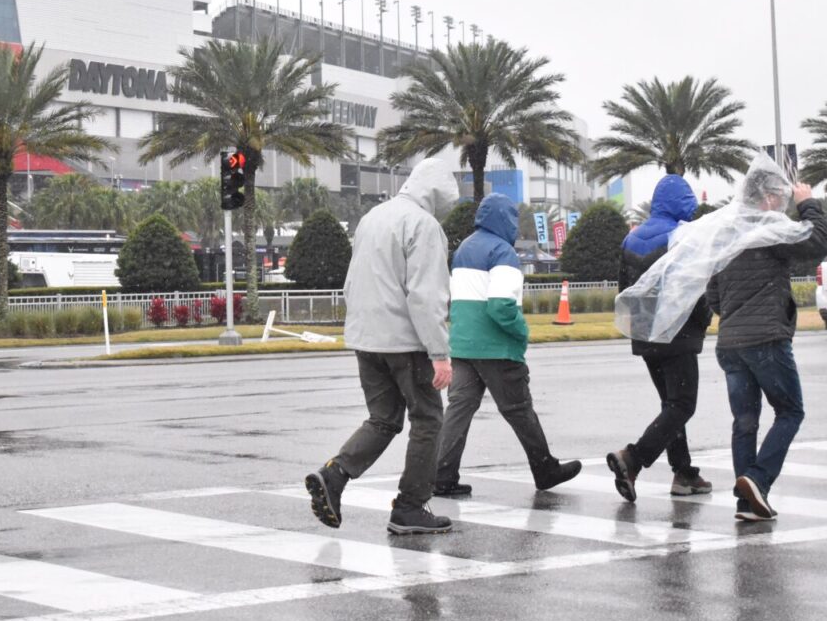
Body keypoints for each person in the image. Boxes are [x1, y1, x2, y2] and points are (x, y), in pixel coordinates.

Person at [304, 155, 460, 536]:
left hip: (366, 339)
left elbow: (352, 281)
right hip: (406, 343)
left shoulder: (373, 218)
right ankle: (409, 507)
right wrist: (440, 353)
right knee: (428, 418)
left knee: (383, 419)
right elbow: (426, 295)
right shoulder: (423, 225)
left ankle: (335, 475)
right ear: (438, 195)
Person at [432, 193, 581, 497]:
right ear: (506, 220)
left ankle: (441, 476)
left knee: (459, 410)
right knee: (519, 410)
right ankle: (545, 469)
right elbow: (500, 305)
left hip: (462, 346)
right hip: (497, 348)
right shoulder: (503, 252)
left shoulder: (463, 249)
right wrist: (521, 331)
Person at [708, 169, 827, 521]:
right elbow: (818, 242)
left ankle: (747, 502)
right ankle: (758, 479)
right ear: (766, 199)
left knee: (744, 423)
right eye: (779, 196)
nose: (782, 202)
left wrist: (737, 315)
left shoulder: (727, 236)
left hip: (730, 343)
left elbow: (712, 295)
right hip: (766, 341)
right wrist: (808, 204)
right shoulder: (769, 230)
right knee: (791, 411)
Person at [605, 175, 714, 502]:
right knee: (682, 405)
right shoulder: (682, 238)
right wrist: (705, 320)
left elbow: (624, 287)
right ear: (682, 202)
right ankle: (634, 458)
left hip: (645, 335)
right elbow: (695, 290)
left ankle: (684, 473)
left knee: (671, 405)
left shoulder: (632, 238)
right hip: (676, 333)